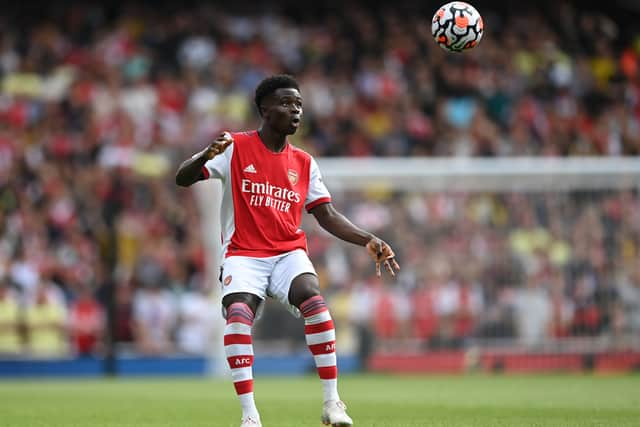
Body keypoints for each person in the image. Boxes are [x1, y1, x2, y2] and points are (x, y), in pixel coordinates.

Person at [176, 74, 399, 427]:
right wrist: (206, 153)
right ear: (265, 110)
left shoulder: (305, 162)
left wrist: (367, 239)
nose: (295, 111)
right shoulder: (233, 147)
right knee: (237, 314)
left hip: (287, 253)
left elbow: (325, 213)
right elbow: (183, 178)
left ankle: (333, 404)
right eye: (286, 103)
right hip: (243, 253)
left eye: (298, 105)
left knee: (314, 299)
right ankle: (250, 416)